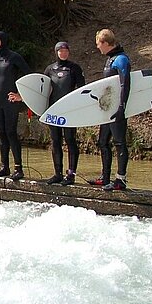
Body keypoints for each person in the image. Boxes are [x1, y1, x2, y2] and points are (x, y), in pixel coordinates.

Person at [0, 30, 31, 180]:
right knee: (1, 134)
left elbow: (29, 76)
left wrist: (21, 96)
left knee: (11, 132)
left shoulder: (14, 57)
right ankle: (4, 167)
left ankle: (18, 168)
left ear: (3, 41)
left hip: (11, 102)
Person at [43, 41, 85, 185]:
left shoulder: (74, 68)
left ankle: (71, 174)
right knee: (55, 141)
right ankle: (58, 174)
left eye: (66, 50)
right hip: (54, 110)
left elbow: (82, 89)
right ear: (56, 52)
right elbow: (42, 91)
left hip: (69, 110)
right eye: (60, 51)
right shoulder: (50, 69)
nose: (63, 53)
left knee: (70, 140)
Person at [93, 29, 130, 191]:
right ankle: (105, 177)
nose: (97, 48)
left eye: (98, 44)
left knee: (119, 143)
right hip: (107, 109)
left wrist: (121, 107)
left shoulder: (121, 59)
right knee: (102, 142)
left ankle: (120, 179)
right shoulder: (110, 59)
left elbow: (124, 85)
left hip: (117, 108)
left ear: (106, 43)